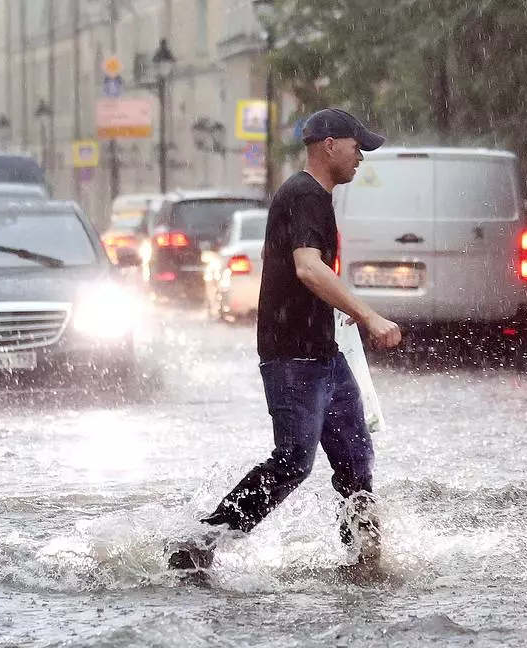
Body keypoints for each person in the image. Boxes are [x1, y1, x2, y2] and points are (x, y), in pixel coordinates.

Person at [166, 108, 402, 574]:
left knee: (355, 459)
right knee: (294, 460)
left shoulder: (308, 196)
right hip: (293, 357)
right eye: (357, 147)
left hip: (322, 354)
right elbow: (307, 268)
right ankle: (200, 544)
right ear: (329, 145)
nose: (361, 158)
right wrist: (368, 315)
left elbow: (290, 266)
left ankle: (364, 558)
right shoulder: (306, 193)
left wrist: (335, 316)